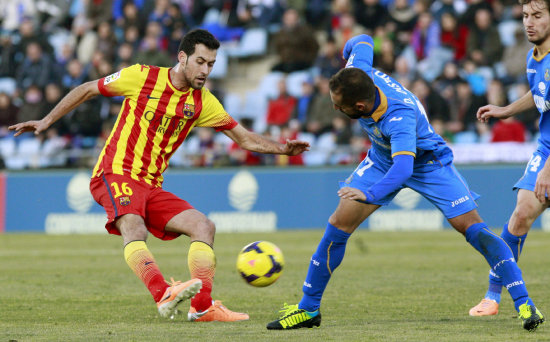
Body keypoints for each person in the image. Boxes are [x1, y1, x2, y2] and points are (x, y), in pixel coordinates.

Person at [9, 29, 310, 323]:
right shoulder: (141, 76)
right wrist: (47, 120)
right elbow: (88, 88)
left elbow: (244, 139)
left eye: (211, 64)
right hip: (115, 172)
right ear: (182, 57)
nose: (206, 70)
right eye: (201, 62)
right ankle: (162, 294)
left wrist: (283, 149)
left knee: (204, 226)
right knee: (134, 227)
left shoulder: (202, 101)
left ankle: (202, 308)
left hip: (151, 185)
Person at [265, 34, 545, 332]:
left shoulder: (397, 116)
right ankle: (308, 309)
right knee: (338, 225)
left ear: (359, 105)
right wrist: (343, 59)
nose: (335, 109)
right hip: (383, 158)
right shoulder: (359, 73)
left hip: (426, 163)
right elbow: (362, 39)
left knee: (474, 230)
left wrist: (367, 194)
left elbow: (403, 168)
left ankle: (524, 303)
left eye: (339, 105)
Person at [469, 0, 550, 318]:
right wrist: (505, 110)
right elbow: (540, 91)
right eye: (526, 16)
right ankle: (492, 297)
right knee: (519, 216)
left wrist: (548, 168)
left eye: (538, 16)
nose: (529, 23)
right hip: (545, 147)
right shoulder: (534, 57)